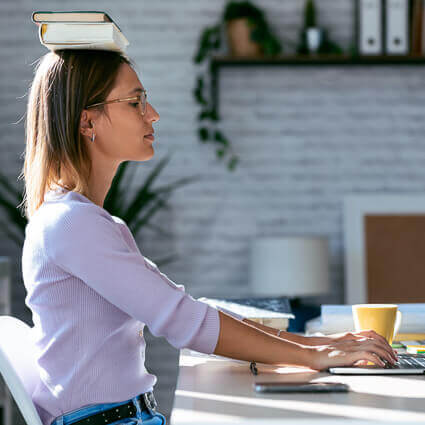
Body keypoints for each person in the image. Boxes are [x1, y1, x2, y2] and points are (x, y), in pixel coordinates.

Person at [20, 49, 398, 425]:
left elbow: (184, 308)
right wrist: (314, 357)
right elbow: (184, 320)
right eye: (135, 102)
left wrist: (319, 345)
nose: (152, 115)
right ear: (88, 123)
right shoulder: (72, 225)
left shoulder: (92, 223)